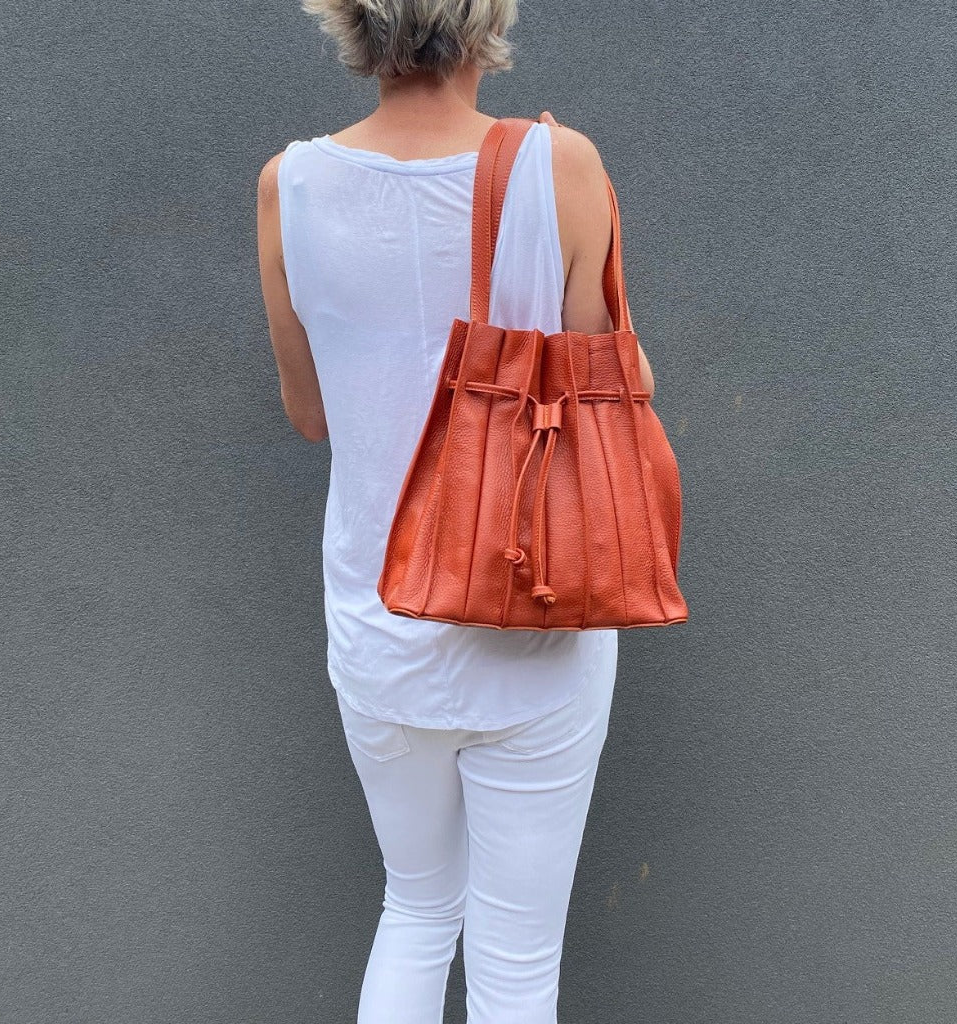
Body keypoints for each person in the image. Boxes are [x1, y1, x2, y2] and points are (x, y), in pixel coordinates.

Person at [256, 2, 656, 1020]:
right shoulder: (557, 166)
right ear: (484, 21)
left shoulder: (288, 183)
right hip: (537, 619)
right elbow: (603, 388)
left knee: (417, 906)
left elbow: (310, 416)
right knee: (517, 961)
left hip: (379, 622)